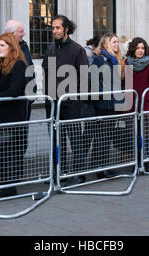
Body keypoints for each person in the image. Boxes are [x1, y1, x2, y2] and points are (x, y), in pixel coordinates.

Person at [42, 15, 88, 186]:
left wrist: (75, 98)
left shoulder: (77, 50)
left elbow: (84, 78)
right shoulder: (50, 49)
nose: (54, 31)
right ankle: (58, 172)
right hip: (52, 103)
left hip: (71, 103)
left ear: (66, 29)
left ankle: (78, 174)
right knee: (55, 139)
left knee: (74, 139)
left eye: (58, 28)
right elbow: (46, 73)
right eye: (53, 28)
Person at [0, 33, 27, 198]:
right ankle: (7, 184)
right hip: (0, 115)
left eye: (2, 45)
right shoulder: (2, 64)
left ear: (11, 47)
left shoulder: (18, 64)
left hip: (10, 116)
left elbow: (15, 90)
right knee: (0, 151)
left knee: (1, 151)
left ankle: (9, 186)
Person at [90, 33, 127, 178]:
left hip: (113, 103)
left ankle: (103, 165)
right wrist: (103, 92)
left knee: (108, 136)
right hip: (103, 104)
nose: (117, 44)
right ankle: (100, 168)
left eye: (117, 42)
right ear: (106, 44)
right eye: (113, 42)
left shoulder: (116, 60)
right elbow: (92, 80)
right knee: (102, 137)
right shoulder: (100, 59)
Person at [125, 37, 149, 162]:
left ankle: (146, 161)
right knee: (132, 135)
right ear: (133, 49)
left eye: (142, 48)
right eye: (138, 48)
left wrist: (145, 99)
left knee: (144, 135)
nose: (140, 51)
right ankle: (135, 161)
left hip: (144, 105)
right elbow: (126, 85)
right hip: (130, 107)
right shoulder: (127, 62)